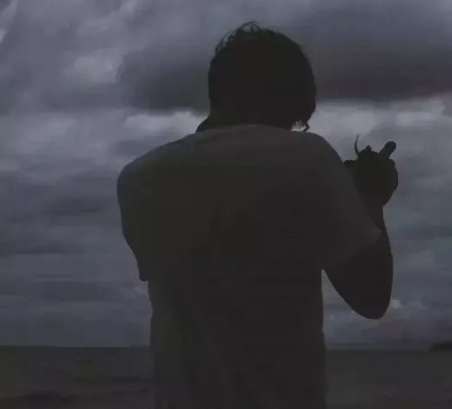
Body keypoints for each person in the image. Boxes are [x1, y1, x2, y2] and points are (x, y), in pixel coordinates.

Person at [117, 21, 398, 409]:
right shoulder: (306, 158)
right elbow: (371, 297)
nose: (296, 129)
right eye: (299, 120)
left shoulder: (137, 180)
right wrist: (370, 198)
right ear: (291, 99)